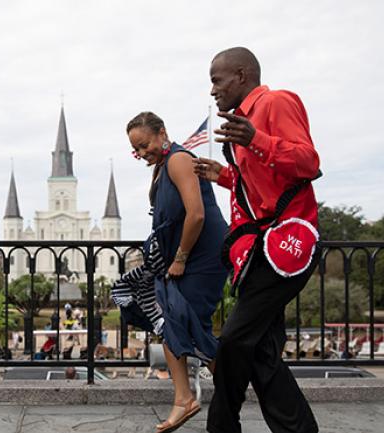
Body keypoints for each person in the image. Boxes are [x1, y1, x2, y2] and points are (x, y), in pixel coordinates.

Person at [195, 47, 321, 433]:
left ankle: (222, 423)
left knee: (234, 338)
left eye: (217, 80)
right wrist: (225, 176)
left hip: (288, 244)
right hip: (261, 245)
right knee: (263, 351)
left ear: (242, 75)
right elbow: (262, 186)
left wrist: (257, 139)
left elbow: (309, 162)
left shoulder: (276, 102)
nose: (213, 90)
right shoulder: (241, 124)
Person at [126, 112, 228, 433]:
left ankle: (235, 383)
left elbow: (196, 215)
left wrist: (181, 257)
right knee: (172, 321)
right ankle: (186, 398)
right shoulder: (161, 166)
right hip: (181, 258)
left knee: (187, 322)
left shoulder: (179, 159)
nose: (142, 153)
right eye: (136, 150)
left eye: (144, 145)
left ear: (162, 133)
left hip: (202, 255)